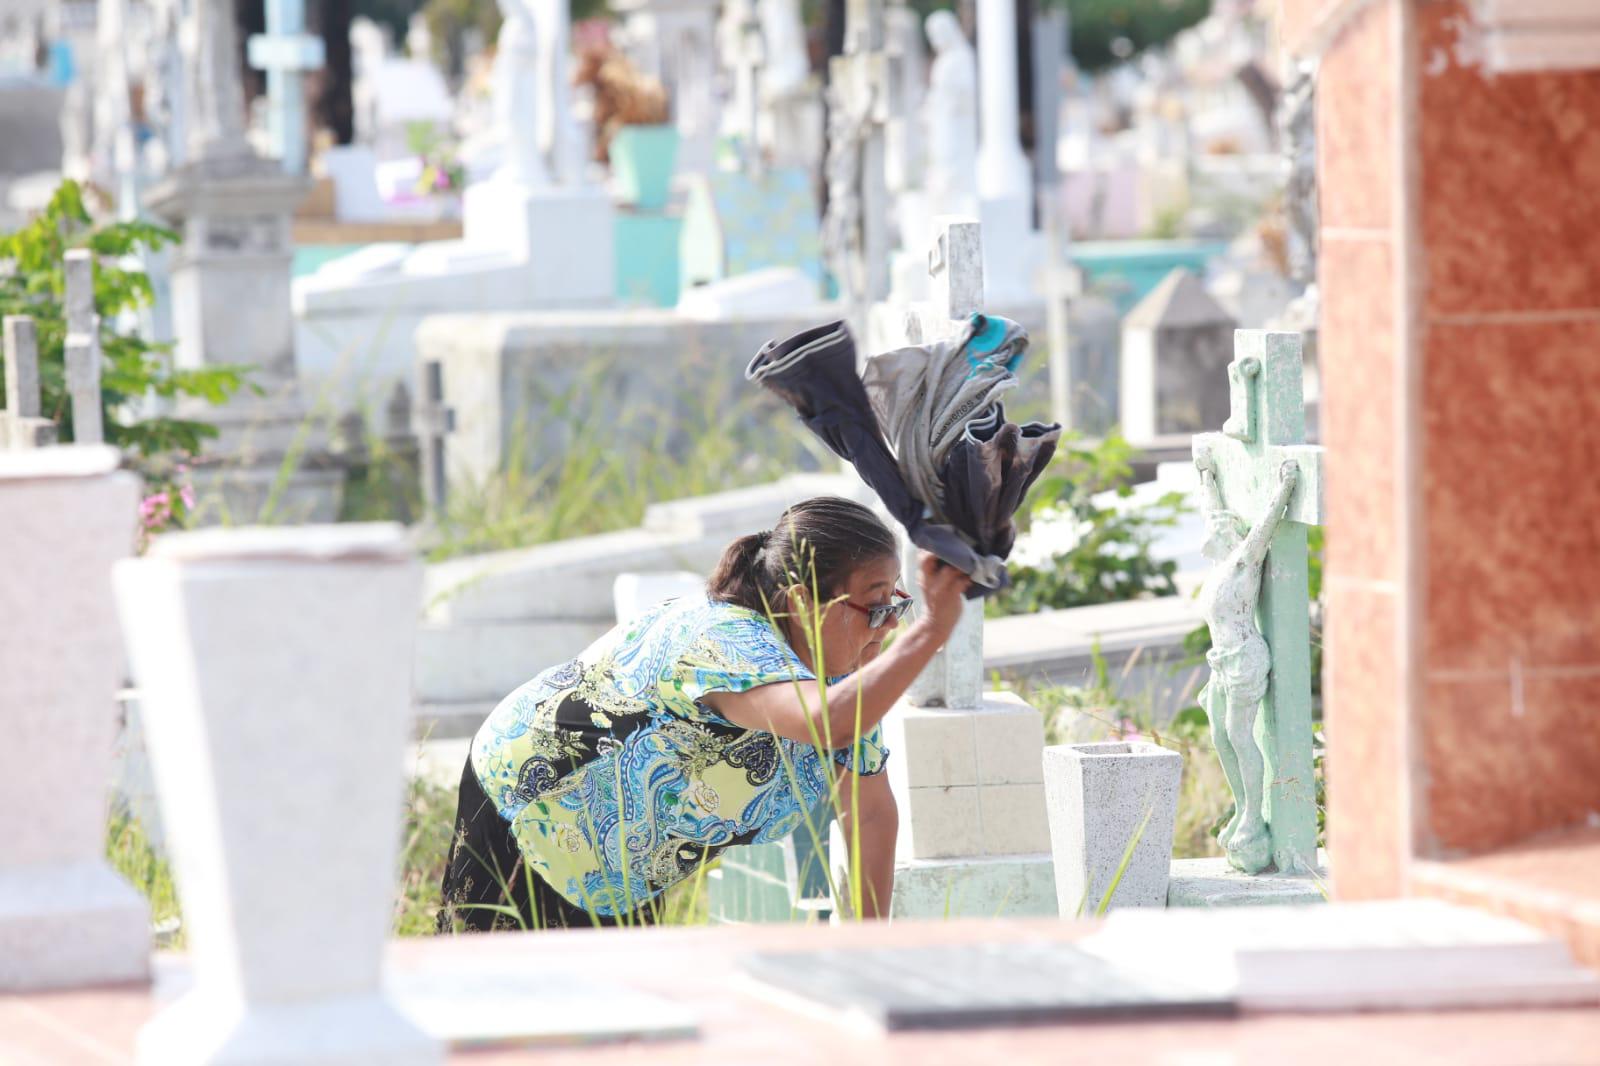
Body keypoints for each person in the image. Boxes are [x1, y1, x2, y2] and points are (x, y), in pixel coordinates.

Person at [437, 496, 971, 930]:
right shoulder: (723, 640)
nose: (889, 626)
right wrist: (931, 632)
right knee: (499, 1015)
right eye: (876, 608)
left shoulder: (845, 680)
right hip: (537, 805)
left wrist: (869, 941)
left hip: (626, 863)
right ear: (803, 602)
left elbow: (869, 808)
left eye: (898, 607)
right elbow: (824, 721)